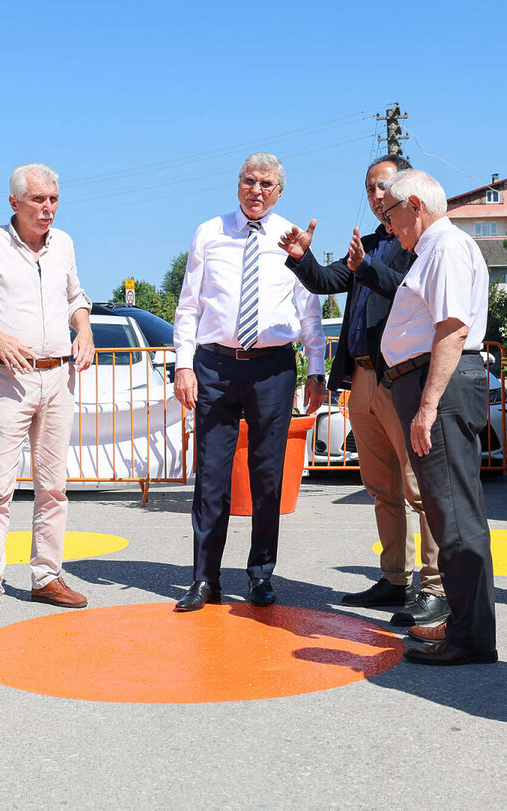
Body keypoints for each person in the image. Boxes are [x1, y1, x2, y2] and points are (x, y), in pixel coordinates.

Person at [277, 155, 447, 625]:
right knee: (381, 488)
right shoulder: (369, 244)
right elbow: (329, 281)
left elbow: (414, 294)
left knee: (420, 490)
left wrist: (368, 269)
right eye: (370, 189)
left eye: (384, 189)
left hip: (404, 379)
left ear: (409, 191)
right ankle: (394, 579)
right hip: (364, 380)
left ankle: (433, 587)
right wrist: (302, 258)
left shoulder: (424, 245)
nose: (376, 198)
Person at [172, 152, 326, 611]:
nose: (256, 191)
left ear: (279, 191)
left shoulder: (291, 236)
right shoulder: (209, 232)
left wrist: (314, 369)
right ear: (237, 184)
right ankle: (205, 579)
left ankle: (261, 574)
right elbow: (188, 305)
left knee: (267, 476)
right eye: (248, 181)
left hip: (272, 368)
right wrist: (183, 364)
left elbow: (310, 310)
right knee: (212, 477)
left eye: (266, 184)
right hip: (214, 367)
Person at [0, 162, 95, 626]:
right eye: (38, 200)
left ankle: (46, 577)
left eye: (53, 199)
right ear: (14, 202)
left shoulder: (64, 244)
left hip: (57, 379)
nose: (47, 208)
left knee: (53, 487)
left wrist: (84, 329)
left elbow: (76, 296)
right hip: (6, 379)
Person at [369, 169, 496, 666]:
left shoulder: (444, 247)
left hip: (434, 384)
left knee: (454, 514)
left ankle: (471, 635)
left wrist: (426, 405)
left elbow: (451, 327)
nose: (390, 226)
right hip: (426, 382)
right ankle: (467, 622)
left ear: (415, 205)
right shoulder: (436, 249)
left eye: (392, 214)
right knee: (450, 513)